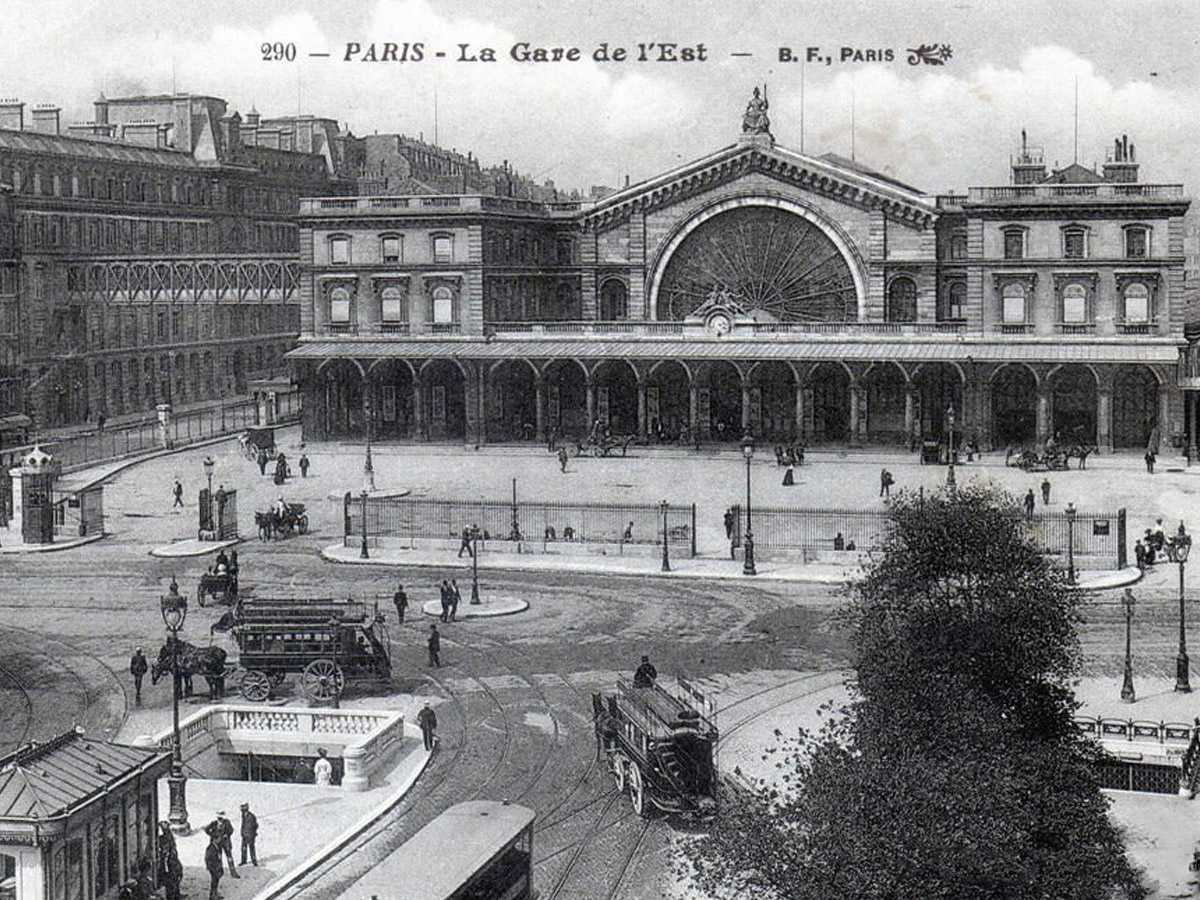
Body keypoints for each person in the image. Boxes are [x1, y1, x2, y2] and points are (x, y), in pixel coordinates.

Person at [157, 822, 183, 900]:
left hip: (172, 869)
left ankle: (177, 895)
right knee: (171, 889)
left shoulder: (167, 839)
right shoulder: (164, 840)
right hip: (170, 871)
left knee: (173, 887)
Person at [215, 811, 238, 877]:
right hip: (218, 843)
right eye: (219, 818)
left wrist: (227, 834)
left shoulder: (227, 822)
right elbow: (208, 830)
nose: (220, 819)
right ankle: (220, 872)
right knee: (219, 858)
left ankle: (233, 872)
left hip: (226, 843)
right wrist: (214, 837)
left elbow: (231, 830)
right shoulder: (214, 823)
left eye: (221, 818)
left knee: (229, 857)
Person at [204, 833, 224, 900]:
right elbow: (207, 859)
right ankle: (212, 895)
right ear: (214, 840)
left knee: (216, 881)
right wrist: (210, 867)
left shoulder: (216, 846)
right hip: (213, 868)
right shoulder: (210, 848)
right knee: (214, 882)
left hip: (217, 867)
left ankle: (215, 894)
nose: (220, 840)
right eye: (218, 838)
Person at [239, 802, 259, 867]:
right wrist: (242, 832)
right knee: (243, 848)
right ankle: (243, 861)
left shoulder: (252, 816)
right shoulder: (243, 815)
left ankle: (254, 861)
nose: (242, 811)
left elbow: (256, 825)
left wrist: (253, 833)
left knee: (251, 848)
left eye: (243, 809)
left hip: (250, 835)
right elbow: (243, 825)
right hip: (244, 834)